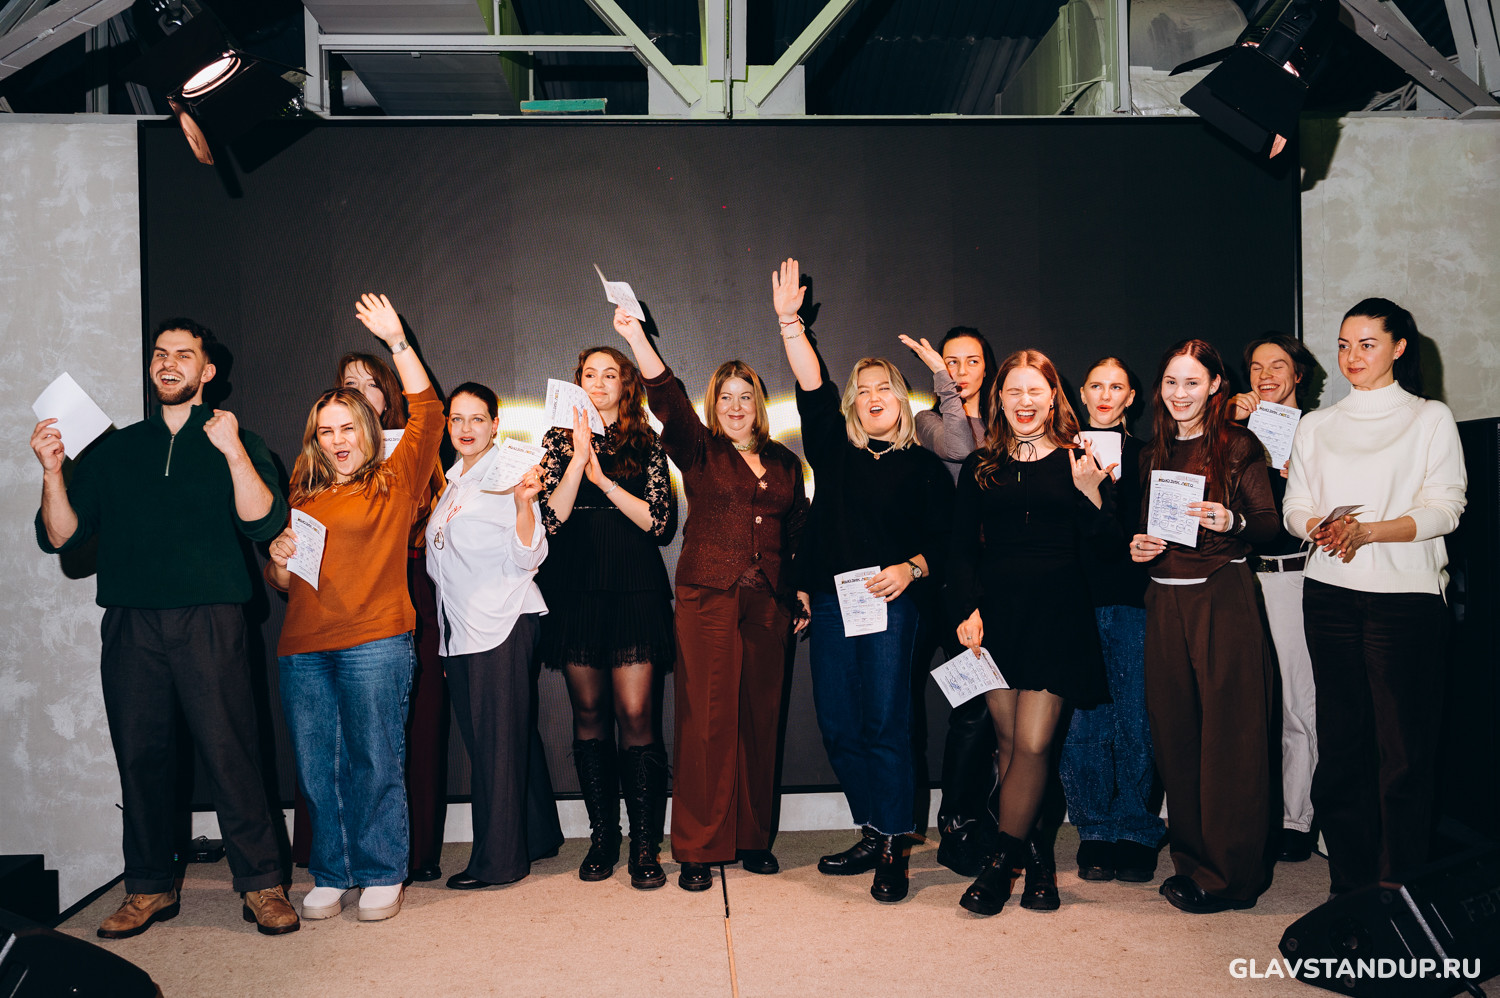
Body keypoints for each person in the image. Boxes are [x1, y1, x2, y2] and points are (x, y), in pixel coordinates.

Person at [31, 318, 298, 938]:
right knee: (140, 756)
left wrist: (232, 451)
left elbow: (264, 524)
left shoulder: (240, 439)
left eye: (183, 354)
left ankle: (262, 883)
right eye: (159, 354)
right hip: (131, 624)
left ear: (208, 371)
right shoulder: (114, 450)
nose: (168, 363)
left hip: (211, 618)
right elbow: (61, 536)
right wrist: (51, 471)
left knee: (232, 751)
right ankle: (149, 886)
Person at [775, 260, 954, 903]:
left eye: (885, 387)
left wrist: (911, 568)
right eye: (863, 389)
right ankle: (872, 827)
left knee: (885, 723)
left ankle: (894, 844)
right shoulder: (834, 450)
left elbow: (946, 544)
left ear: (901, 400)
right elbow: (812, 384)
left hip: (891, 603)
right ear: (853, 402)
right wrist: (790, 325)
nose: (874, 396)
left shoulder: (924, 468)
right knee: (839, 724)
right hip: (832, 602)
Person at [615, 302, 808, 893]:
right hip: (708, 598)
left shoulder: (786, 463)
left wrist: (799, 589)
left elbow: (798, 530)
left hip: (769, 603)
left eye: (745, 396)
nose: (736, 406)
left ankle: (752, 838)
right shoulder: (698, 448)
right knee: (706, 720)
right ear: (713, 405)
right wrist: (637, 338)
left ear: (759, 404)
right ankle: (699, 846)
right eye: (725, 397)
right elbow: (667, 399)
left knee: (759, 719)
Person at [265, 293, 443, 923]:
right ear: (316, 440)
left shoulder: (395, 481)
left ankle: (381, 871)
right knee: (318, 767)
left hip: (375, 641)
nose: (338, 440)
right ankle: (332, 872)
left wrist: (398, 342)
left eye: (347, 428)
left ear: (368, 429)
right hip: (304, 648)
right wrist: (279, 557)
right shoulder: (302, 491)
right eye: (327, 431)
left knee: (374, 758)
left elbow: (429, 412)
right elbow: (284, 582)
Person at [1282, 299, 1466, 896]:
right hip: (1328, 595)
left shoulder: (1429, 417)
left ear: (1398, 347)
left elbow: (1446, 509)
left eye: (1366, 344)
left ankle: (1398, 893)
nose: (1352, 357)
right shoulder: (1317, 425)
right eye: (1343, 345)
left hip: (1404, 600)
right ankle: (1349, 888)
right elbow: (1294, 505)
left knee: (1403, 755)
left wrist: (1370, 532)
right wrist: (1319, 526)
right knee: (1341, 748)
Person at [947, 348, 1115, 916]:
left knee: (1037, 743)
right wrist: (967, 608)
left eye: (1035, 391)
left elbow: (1108, 551)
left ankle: (1000, 866)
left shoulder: (1078, 459)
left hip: (1058, 616)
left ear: (1052, 398)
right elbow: (960, 549)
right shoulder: (981, 465)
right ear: (1000, 398)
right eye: (1014, 391)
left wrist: (1092, 494)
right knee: (1010, 746)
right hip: (997, 618)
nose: (1024, 401)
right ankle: (1038, 861)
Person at [1130, 339, 1279, 914]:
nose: (1179, 393)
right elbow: (1144, 528)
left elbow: (1267, 524)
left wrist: (1230, 518)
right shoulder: (1153, 451)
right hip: (1164, 598)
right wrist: (1137, 548)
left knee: (1231, 737)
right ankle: (1192, 863)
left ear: (1216, 385)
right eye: (1171, 382)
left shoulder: (1238, 444)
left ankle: (1230, 878)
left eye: (1192, 382)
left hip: (1221, 594)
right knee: (1176, 735)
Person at [537, 345, 675, 890]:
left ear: (626, 385)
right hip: (576, 587)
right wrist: (577, 461)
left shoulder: (648, 441)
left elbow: (659, 523)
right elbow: (550, 520)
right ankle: (603, 837)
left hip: (634, 586)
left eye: (609, 374)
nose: (597, 383)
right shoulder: (556, 441)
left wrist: (604, 480)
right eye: (589, 374)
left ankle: (644, 843)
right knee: (589, 712)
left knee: (637, 713)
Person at [425, 383, 563, 889]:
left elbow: (530, 556)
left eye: (477, 419)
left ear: (495, 424)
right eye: (456, 419)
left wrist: (525, 505)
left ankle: (498, 862)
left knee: (494, 746)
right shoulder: (455, 479)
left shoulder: (507, 474)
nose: (465, 429)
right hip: (462, 629)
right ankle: (538, 835)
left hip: (500, 622)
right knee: (508, 736)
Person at [1059, 357, 1166, 884]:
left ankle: (1137, 829)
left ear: (1131, 398)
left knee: (1134, 718)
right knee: (1083, 722)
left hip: (1131, 600)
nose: (1105, 394)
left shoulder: (1150, 456)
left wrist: (1103, 501)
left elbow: (1147, 532)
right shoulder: (1058, 453)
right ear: (1081, 393)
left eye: (1116, 386)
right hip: (1073, 601)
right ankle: (1094, 829)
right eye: (1096, 385)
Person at [898, 327, 1000, 876]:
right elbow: (960, 447)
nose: (959, 370)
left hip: (990, 582)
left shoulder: (1007, 424)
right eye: (950, 362)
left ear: (988, 367)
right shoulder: (926, 420)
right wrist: (942, 382)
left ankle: (967, 819)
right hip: (936, 582)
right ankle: (920, 823)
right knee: (920, 703)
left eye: (969, 361)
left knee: (982, 706)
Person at [1228, 334, 1323, 864]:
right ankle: (1246, 814)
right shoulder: (1233, 432)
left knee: (1295, 702)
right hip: (1237, 576)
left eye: (1278, 366)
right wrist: (1231, 425)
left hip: (1291, 578)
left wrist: (1300, 476)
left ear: (1299, 375)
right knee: (1240, 701)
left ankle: (1295, 818)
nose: (1265, 375)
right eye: (1257, 366)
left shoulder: (1318, 431)